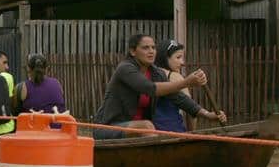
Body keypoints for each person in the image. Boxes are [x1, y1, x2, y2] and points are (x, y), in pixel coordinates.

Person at [93, 34, 226, 139]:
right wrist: (187, 82)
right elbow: (150, 88)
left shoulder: (157, 72)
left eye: (153, 47)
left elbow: (178, 97)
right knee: (146, 126)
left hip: (136, 130)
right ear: (133, 51)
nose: (151, 51)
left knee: (151, 128)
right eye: (145, 48)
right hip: (109, 127)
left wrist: (207, 114)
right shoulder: (126, 68)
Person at [154, 39, 192, 132]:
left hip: (151, 132)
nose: (182, 62)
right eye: (178, 57)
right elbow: (190, 110)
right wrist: (192, 132)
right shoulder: (175, 77)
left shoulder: (146, 74)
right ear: (165, 58)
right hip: (173, 130)